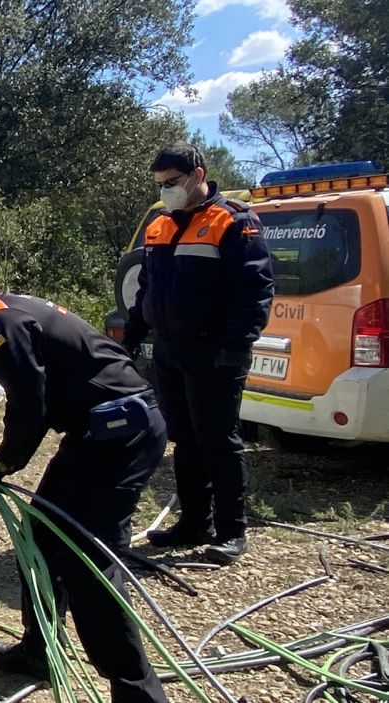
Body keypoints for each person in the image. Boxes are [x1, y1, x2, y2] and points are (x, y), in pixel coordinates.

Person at [0, 255, 169, 702]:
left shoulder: (3, 325)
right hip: (95, 431)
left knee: (87, 560)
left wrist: (0, 465)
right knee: (40, 536)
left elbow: (30, 408)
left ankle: (136, 692)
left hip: (120, 434)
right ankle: (38, 651)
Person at [124, 142, 274, 565]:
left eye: (172, 182)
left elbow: (255, 288)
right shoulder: (159, 224)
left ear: (198, 174)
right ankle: (194, 522)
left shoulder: (232, 220)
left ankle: (231, 531)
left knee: (218, 441)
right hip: (171, 348)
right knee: (184, 441)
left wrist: (237, 344)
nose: (166, 190)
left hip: (215, 350)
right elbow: (147, 291)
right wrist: (131, 339)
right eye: (160, 184)